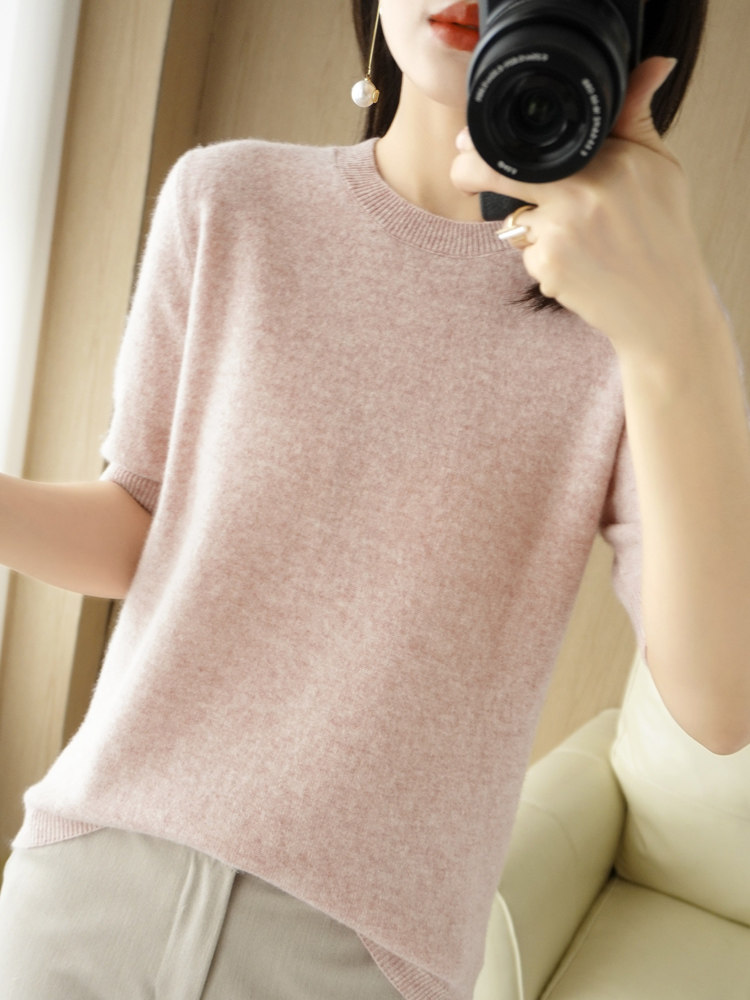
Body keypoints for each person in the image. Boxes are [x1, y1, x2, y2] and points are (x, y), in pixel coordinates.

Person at [0, 1, 748, 998]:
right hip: (91, 883)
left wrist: (674, 329)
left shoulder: (641, 327)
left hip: (366, 958)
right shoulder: (229, 200)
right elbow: (140, 525)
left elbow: (718, 703)